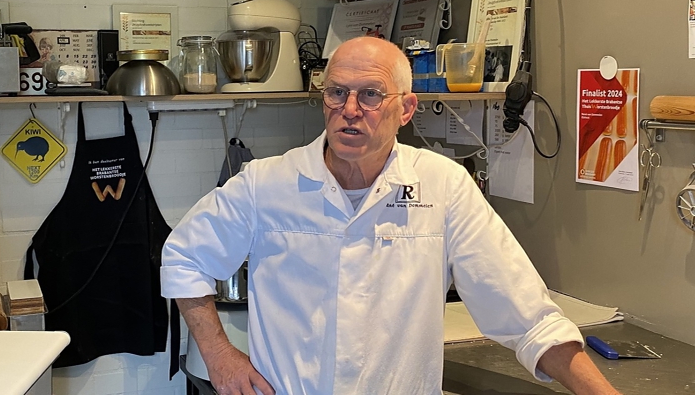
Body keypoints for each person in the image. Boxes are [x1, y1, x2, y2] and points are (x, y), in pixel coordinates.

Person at [161, 37, 620, 394]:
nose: (350, 111)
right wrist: (219, 354)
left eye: (371, 95)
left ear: (406, 109)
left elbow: (527, 315)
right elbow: (184, 257)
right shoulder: (267, 184)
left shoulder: (443, 186)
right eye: (337, 92)